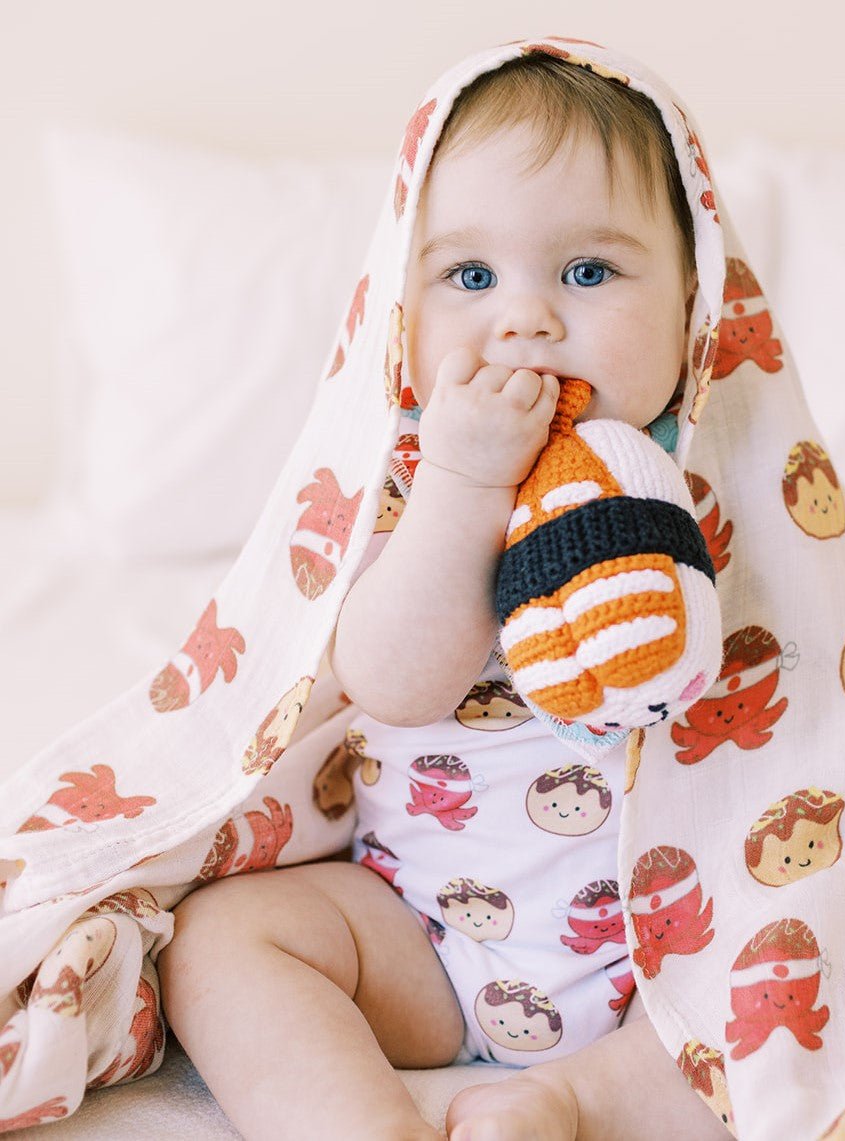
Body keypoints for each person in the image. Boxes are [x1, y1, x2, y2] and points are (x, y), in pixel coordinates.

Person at [157, 51, 730, 1141]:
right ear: (397, 307)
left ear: (693, 293)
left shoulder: (728, 485)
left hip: (667, 943)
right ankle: (359, 1123)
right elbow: (393, 681)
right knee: (224, 940)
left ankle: (567, 1100)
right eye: (469, 278)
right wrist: (466, 485)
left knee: (823, 961)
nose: (524, 321)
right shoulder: (404, 480)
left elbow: (812, 719)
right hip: (420, 930)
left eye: (589, 272)